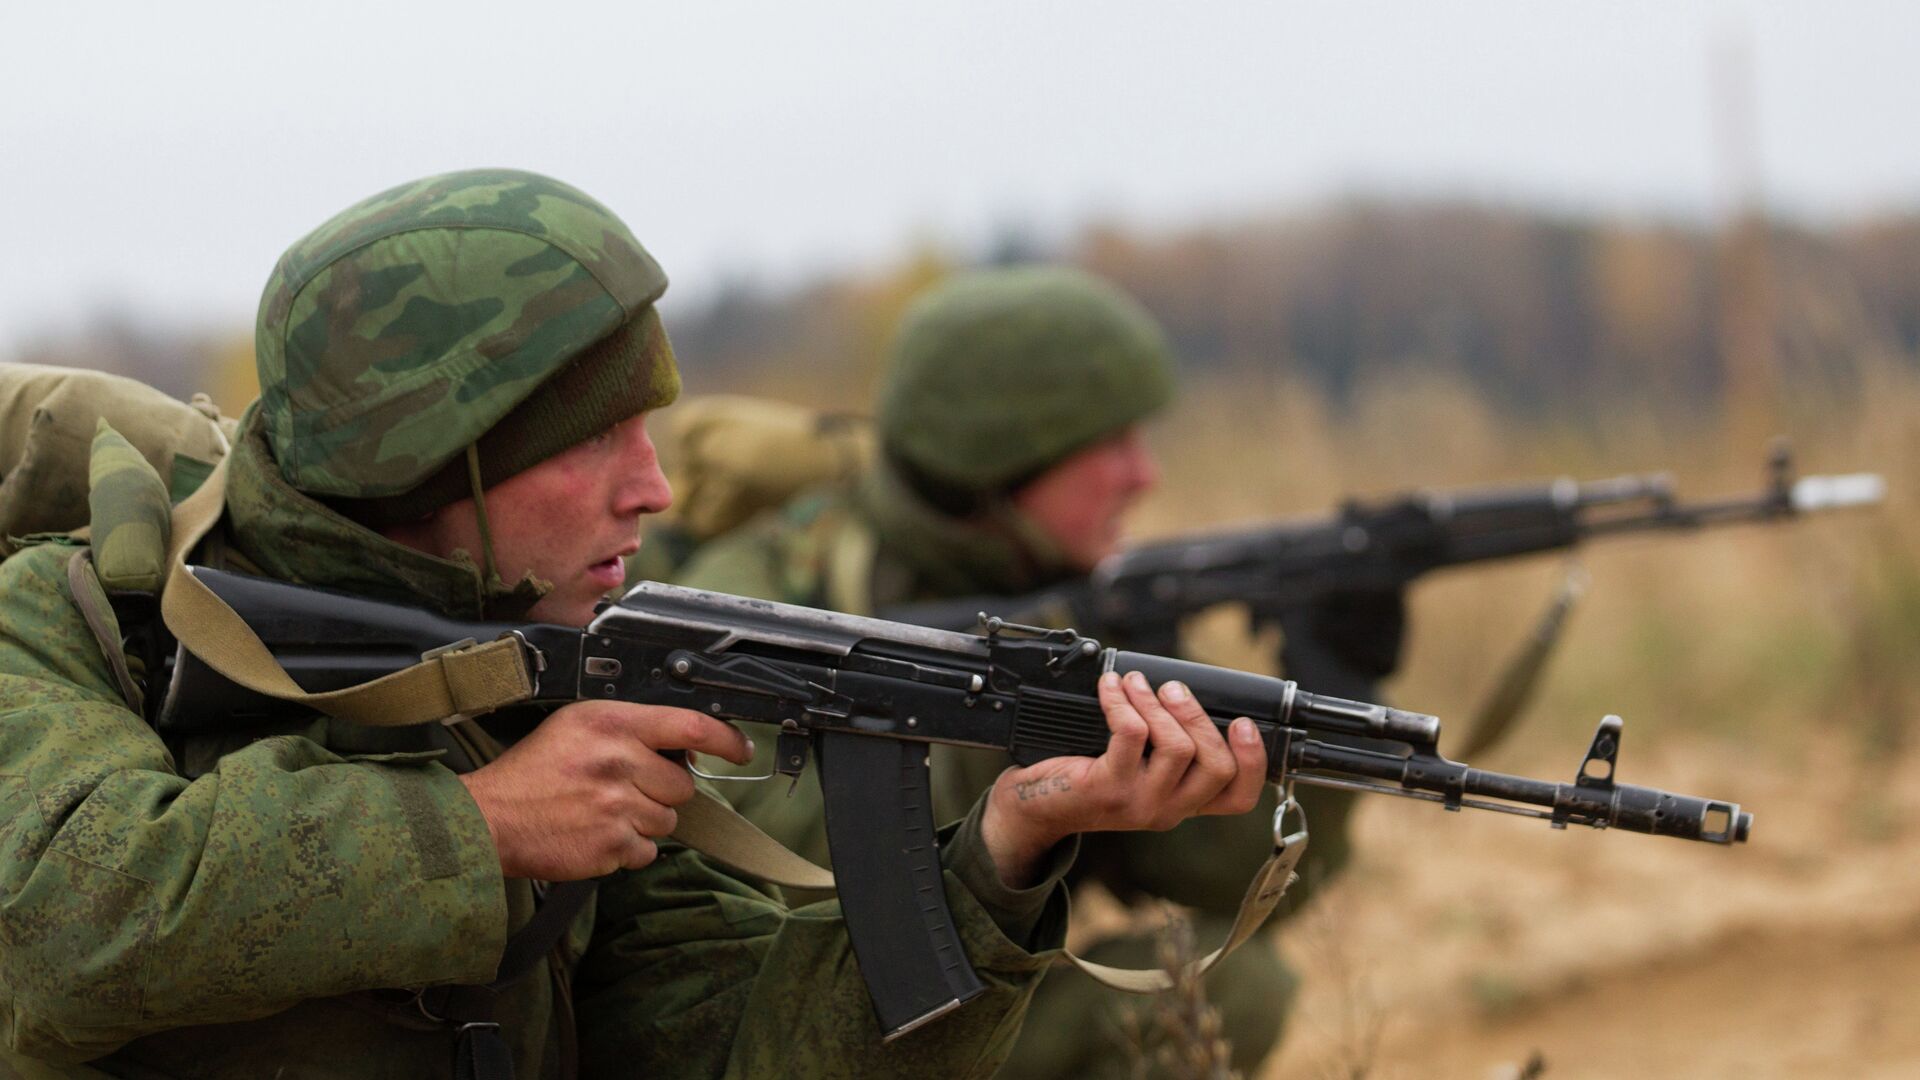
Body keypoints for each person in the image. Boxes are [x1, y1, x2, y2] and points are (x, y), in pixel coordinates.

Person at [0, 171, 1269, 1080]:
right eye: (596, 437)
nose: (653, 487)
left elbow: (734, 1044)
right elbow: (66, 924)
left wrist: (1000, 855)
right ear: (442, 460)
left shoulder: (551, 680)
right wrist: (484, 828)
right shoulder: (65, 624)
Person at [673, 266, 1382, 1078]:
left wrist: (1324, 706)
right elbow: (775, 880)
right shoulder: (757, 602)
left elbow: (1228, 875)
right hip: (781, 1034)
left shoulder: (1058, 598)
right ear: (1001, 456)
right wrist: (1006, 728)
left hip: (959, 1007)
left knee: (1234, 988)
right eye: (1109, 444)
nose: (1143, 475)